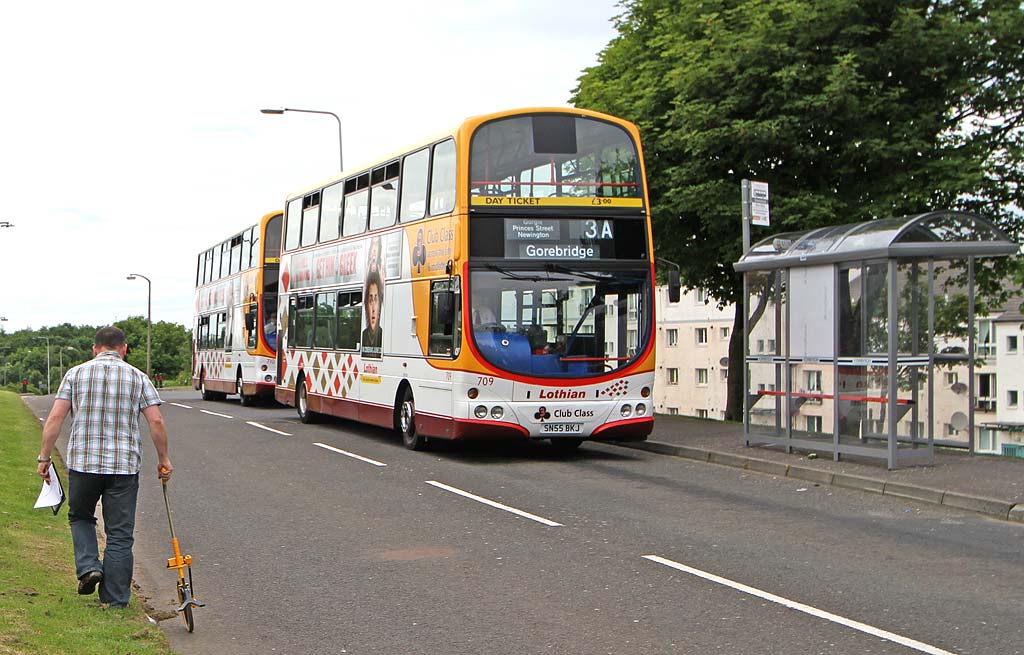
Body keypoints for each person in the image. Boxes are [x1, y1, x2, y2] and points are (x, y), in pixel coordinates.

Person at [37, 326, 172, 608]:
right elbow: (156, 421)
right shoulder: (138, 377)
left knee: (81, 517)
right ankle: (114, 600)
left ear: (95, 349)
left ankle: (88, 567)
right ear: (123, 349)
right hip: (123, 468)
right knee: (120, 534)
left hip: (84, 464)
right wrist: (163, 459)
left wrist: (45, 457)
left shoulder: (75, 374)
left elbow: (55, 418)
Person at [361, 271, 384, 357]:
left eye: (376, 300)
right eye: (370, 301)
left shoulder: (383, 335)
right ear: (366, 306)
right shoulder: (363, 336)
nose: (373, 309)